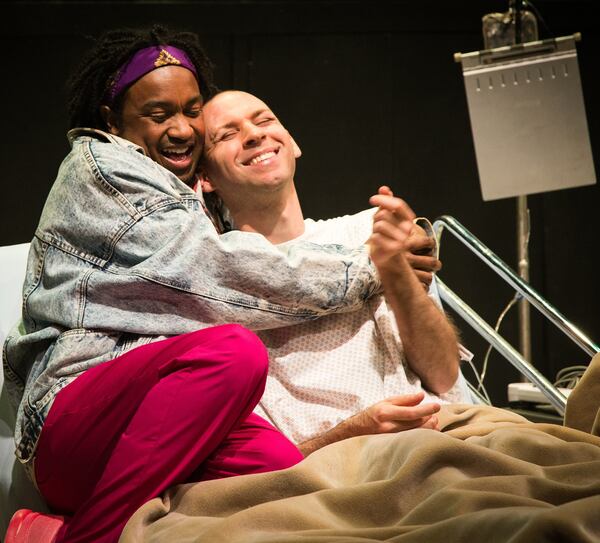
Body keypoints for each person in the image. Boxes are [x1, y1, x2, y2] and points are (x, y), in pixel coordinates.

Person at [2, 26, 389, 543]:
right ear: (112, 120)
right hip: (72, 423)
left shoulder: (188, 194)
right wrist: (375, 267)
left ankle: (49, 532)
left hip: (149, 428)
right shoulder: (104, 168)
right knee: (233, 353)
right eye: (159, 114)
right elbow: (217, 274)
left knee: (282, 479)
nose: (183, 128)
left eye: (192, 110)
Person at [198, 90, 473, 455]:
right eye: (227, 135)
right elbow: (257, 459)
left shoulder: (369, 231)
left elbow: (443, 376)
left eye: (264, 120)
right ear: (205, 178)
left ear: (292, 143)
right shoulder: (216, 282)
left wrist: (396, 275)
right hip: (328, 468)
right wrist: (352, 434)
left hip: (439, 437)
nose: (254, 134)